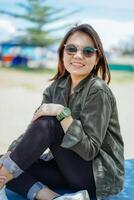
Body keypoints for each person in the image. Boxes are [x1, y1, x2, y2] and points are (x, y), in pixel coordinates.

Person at [0, 24, 124, 200]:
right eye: (71, 49)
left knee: (49, 123)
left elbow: (90, 150)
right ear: (62, 53)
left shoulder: (98, 91)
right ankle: (54, 198)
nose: (78, 56)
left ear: (96, 59)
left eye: (88, 51)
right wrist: (11, 154)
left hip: (97, 177)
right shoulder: (56, 88)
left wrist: (62, 113)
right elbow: (33, 132)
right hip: (63, 169)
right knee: (5, 161)